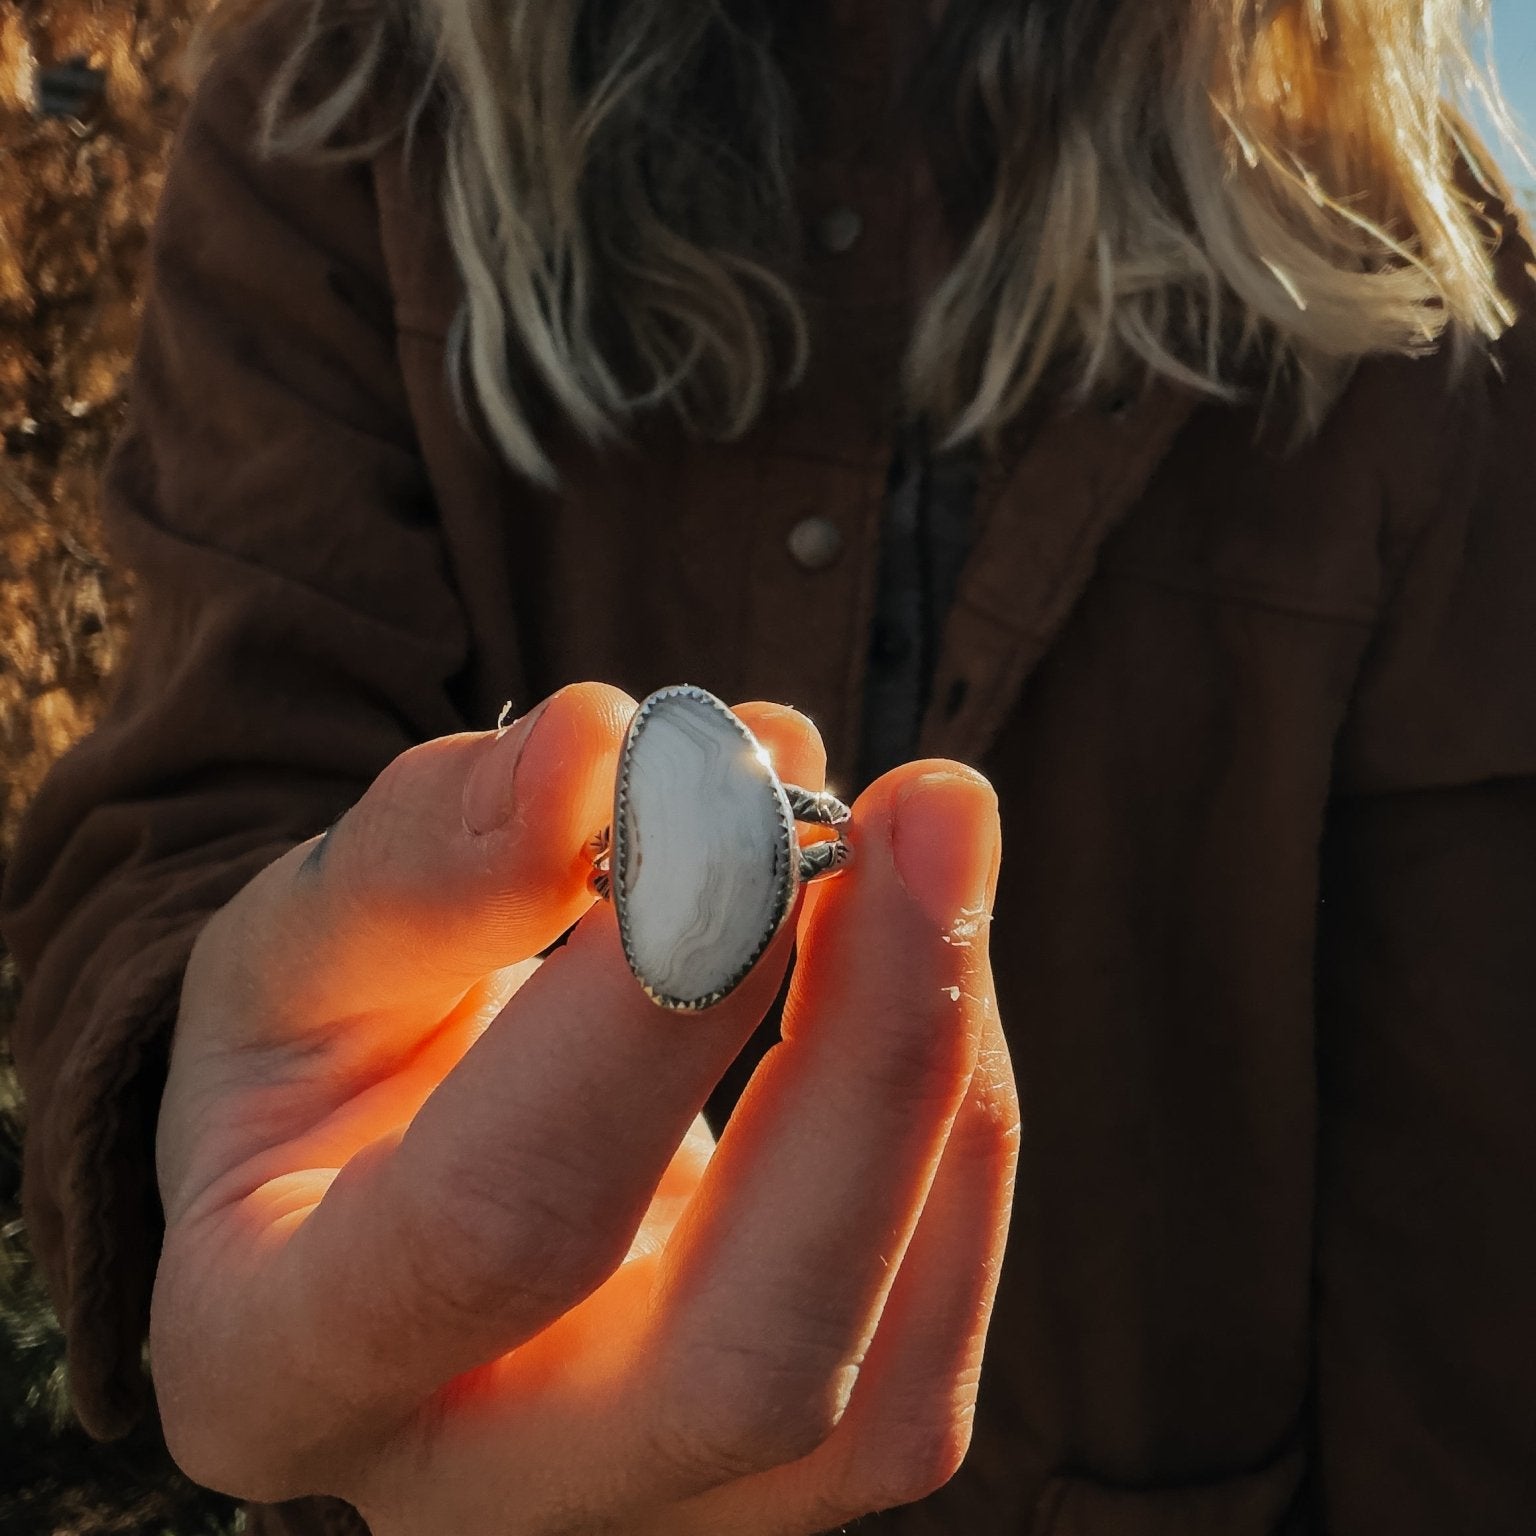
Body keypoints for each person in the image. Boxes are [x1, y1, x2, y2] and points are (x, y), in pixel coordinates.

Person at [3, 0, 1535, 1531]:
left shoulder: (1412, 255)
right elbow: (203, 800)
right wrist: (215, 1122)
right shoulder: (347, 109)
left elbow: (1459, 1203)